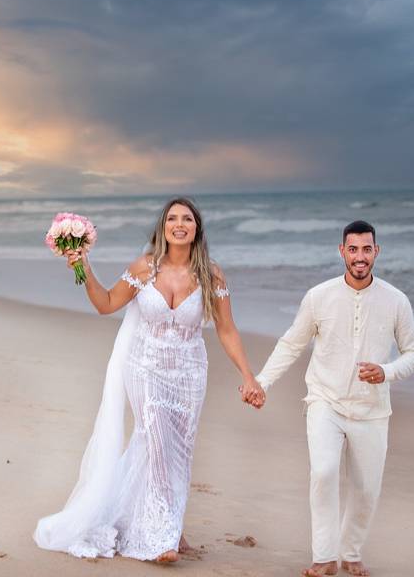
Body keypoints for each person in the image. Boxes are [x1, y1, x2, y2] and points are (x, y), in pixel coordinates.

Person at [34, 197, 265, 563]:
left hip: (190, 373)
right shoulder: (144, 268)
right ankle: (162, 540)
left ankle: (169, 523)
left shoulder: (211, 274)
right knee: (157, 442)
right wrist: (84, 266)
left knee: (179, 452)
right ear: (163, 227)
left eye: (187, 219)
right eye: (172, 218)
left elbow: (227, 329)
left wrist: (249, 376)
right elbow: (106, 303)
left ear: (196, 229)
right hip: (146, 368)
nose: (179, 224)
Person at [248, 220, 414, 577]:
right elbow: (292, 343)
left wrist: (386, 371)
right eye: (353, 249)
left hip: (372, 410)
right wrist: (262, 381)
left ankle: (352, 553)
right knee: (324, 472)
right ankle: (325, 557)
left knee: (366, 490)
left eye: (367, 249)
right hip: (324, 401)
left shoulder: (396, 301)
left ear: (377, 252)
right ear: (342, 251)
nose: (360, 256)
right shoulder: (319, 296)